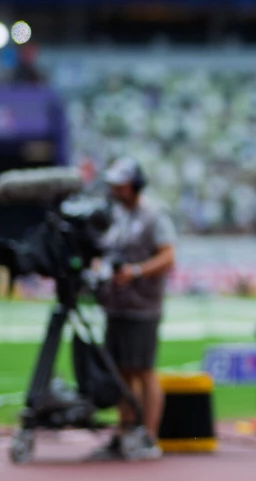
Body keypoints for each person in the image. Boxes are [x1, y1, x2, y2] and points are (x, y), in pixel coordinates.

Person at [89, 157, 176, 461]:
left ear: (135, 184)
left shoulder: (154, 215)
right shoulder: (116, 215)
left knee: (144, 370)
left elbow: (168, 257)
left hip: (143, 306)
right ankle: (126, 432)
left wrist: (136, 272)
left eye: (121, 183)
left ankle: (149, 436)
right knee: (121, 373)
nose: (115, 189)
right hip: (116, 304)